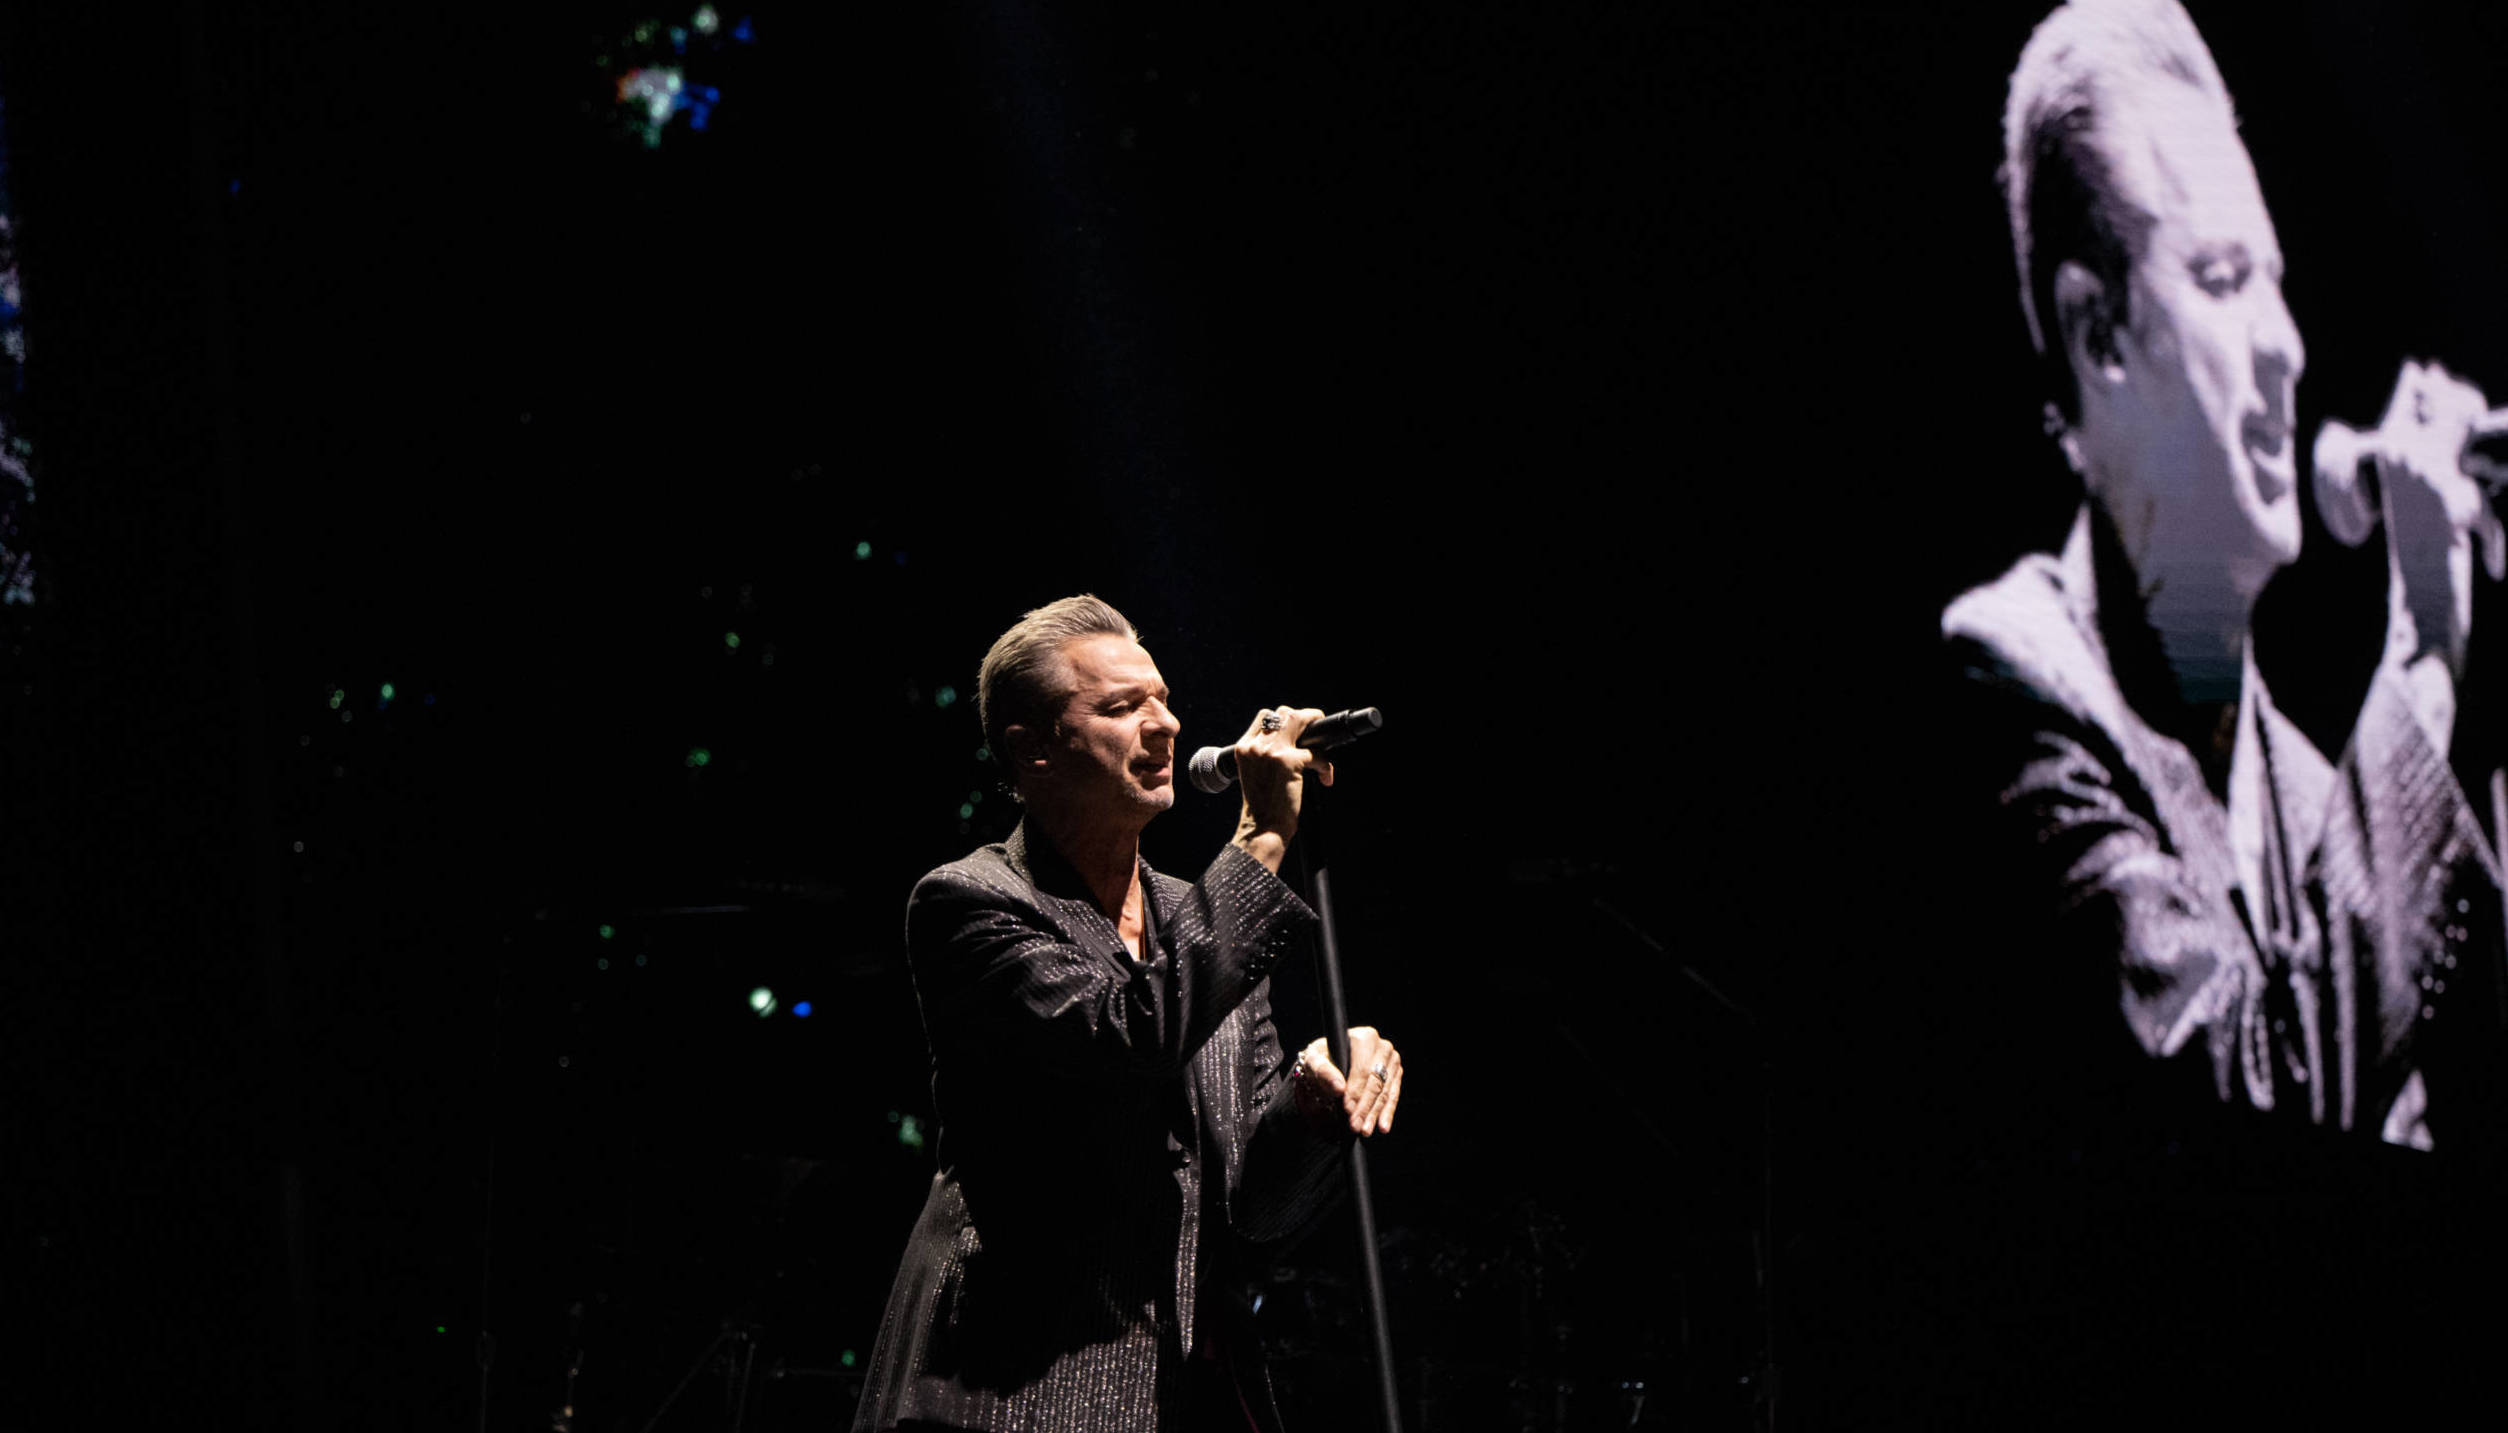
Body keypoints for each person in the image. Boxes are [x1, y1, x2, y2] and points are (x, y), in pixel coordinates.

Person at [1942, 0, 2504, 1148]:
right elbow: (2254, 1104)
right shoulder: (2011, 684)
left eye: (2277, 281)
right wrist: (2422, 654)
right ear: (2099, 335)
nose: (2287, 343)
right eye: (2222, 275)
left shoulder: (2316, 795)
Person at [852, 594, 1406, 1433]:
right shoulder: (971, 903)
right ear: (1032, 749)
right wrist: (1260, 836)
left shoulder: (1203, 918)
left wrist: (1314, 1098)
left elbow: (1254, 1213)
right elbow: (1129, 1039)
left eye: (1163, 699)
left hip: (1183, 1393)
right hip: (1014, 1392)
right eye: (1120, 707)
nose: (1166, 724)